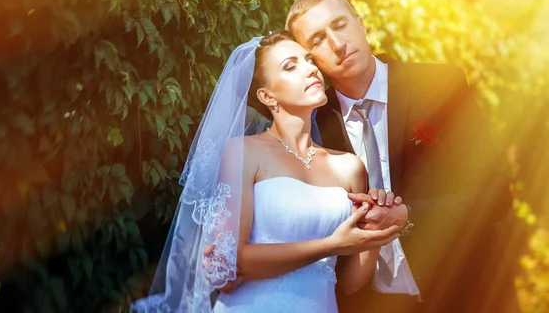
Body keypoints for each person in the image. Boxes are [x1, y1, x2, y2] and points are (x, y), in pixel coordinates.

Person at [130, 31, 409, 313]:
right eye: (291, 66)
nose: (311, 69)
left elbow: (349, 284)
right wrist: (332, 244)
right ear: (267, 96)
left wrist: (379, 231)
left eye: (309, 60)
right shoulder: (243, 152)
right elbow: (235, 258)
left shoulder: (350, 166)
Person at [286, 0, 513, 312]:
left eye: (341, 25)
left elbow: (496, 195)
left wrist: (407, 216)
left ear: (361, 25)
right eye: (318, 40)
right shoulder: (314, 126)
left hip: (470, 291)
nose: (337, 44)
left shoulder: (441, 85)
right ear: (310, 60)